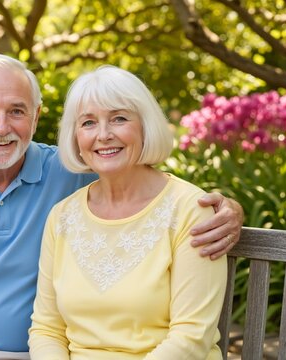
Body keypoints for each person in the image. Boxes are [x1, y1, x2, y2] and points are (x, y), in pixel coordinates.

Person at [0, 55, 242, 360]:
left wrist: (228, 207)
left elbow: (149, 184)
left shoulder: (71, 171)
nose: (1, 127)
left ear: (36, 117)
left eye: (16, 111)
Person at [28, 65, 227, 359]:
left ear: (145, 126)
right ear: (75, 137)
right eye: (88, 123)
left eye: (119, 119)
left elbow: (191, 337)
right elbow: (47, 329)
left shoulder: (190, 211)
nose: (103, 134)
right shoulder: (63, 217)